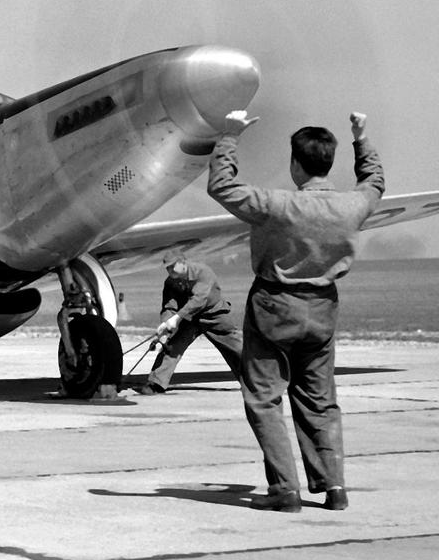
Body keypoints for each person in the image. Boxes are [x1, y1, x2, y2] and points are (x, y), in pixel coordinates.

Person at [208, 110, 384, 512]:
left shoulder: (276, 204)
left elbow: (221, 185)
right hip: (322, 308)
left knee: (264, 399)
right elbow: (375, 181)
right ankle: (334, 487)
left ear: (295, 163)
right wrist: (361, 136)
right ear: (328, 162)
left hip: (273, 305)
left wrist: (230, 135)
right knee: (320, 401)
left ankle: (285, 490)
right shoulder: (352, 206)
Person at [135, 251, 242, 395]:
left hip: (214, 315)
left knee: (235, 348)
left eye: (173, 266)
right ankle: (156, 383)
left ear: (183, 262)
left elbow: (199, 300)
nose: (170, 270)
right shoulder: (170, 282)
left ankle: (254, 381)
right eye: (167, 268)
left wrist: (177, 318)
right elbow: (169, 306)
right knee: (172, 347)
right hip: (189, 319)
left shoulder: (203, 272)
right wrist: (165, 325)